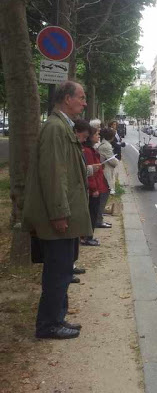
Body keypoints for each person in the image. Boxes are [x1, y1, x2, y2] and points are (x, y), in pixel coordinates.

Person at [23, 81, 92, 340]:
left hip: (64, 214)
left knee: (63, 270)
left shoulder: (61, 126)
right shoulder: (55, 128)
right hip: (59, 216)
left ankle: (57, 319)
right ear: (66, 99)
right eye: (81, 97)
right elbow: (54, 175)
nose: (84, 103)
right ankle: (49, 325)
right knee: (57, 272)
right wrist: (59, 213)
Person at [78, 122, 107, 246]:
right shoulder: (88, 151)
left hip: (96, 185)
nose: (98, 136)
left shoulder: (91, 150)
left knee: (93, 212)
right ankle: (86, 237)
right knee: (91, 213)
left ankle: (88, 236)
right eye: (96, 134)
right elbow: (89, 173)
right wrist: (94, 188)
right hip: (94, 188)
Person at [96, 128, 119, 227]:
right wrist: (117, 161)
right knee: (103, 197)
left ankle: (99, 218)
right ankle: (99, 221)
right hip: (106, 173)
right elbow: (113, 162)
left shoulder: (104, 144)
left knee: (103, 197)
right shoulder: (106, 146)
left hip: (105, 172)